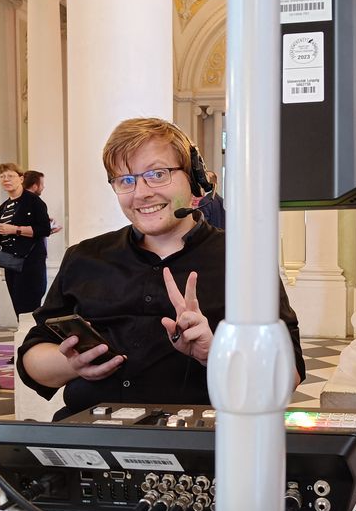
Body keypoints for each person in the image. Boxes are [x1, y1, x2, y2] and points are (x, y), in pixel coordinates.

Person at [18, 117, 305, 420]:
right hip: (90, 444)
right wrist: (72, 365)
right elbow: (32, 360)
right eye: (126, 180)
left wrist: (215, 354)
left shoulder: (244, 259)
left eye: (158, 174)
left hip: (206, 447)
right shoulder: (85, 257)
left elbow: (288, 377)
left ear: (193, 178)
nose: (141, 193)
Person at [0, 163, 52, 317]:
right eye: (2, 176)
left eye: (10, 176)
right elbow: (6, 229)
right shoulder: (4, 206)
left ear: (21, 178)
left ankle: (32, 340)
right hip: (10, 261)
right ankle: (26, 338)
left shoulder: (34, 202)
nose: (6, 179)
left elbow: (44, 229)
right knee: (18, 306)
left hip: (29, 262)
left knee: (28, 309)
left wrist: (15, 229)